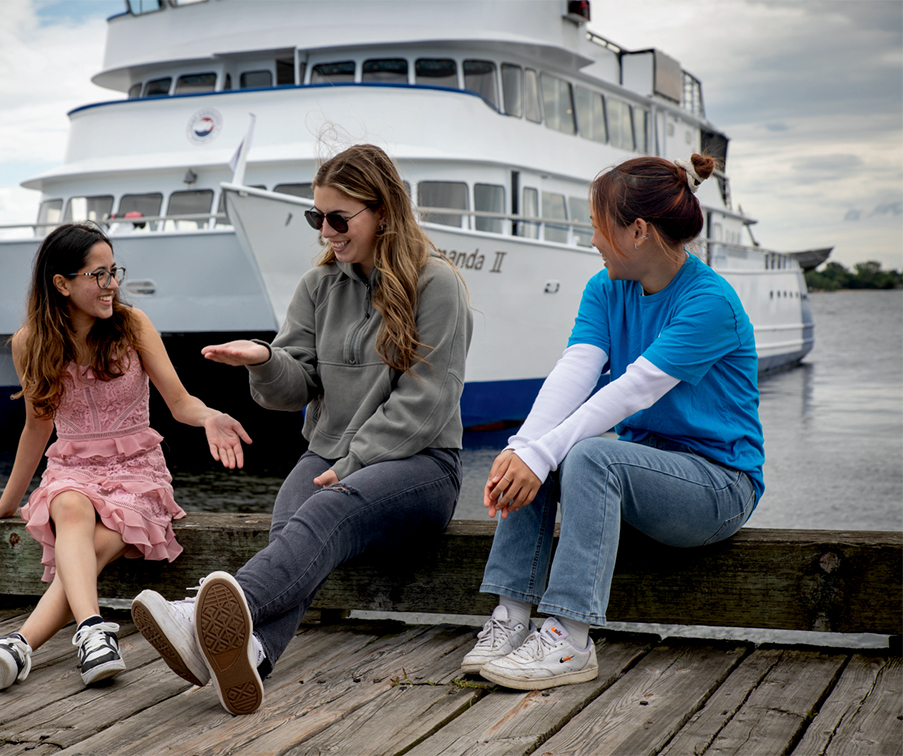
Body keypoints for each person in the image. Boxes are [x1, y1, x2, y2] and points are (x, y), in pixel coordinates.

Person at [130, 144, 473, 715]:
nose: (326, 233)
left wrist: (356, 461)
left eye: (339, 219)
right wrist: (263, 360)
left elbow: (427, 401)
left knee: (323, 512)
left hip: (421, 466)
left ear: (383, 211)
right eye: (318, 218)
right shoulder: (319, 288)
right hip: (332, 455)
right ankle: (255, 651)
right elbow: (293, 390)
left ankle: (195, 618)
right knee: (292, 520)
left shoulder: (436, 284)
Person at [462, 153, 764, 691]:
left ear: (639, 231)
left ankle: (571, 639)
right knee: (545, 450)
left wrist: (543, 450)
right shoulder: (605, 288)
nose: (593, 240)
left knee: (585, 451)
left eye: (599, 227)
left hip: (718, 486)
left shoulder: (709, 301)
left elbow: (633, 390)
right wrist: (523, 447)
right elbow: (574, 373)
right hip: (646, 474)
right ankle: (512, 615)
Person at [0, 222, 251, 691]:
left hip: (137, 472)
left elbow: (179, 402)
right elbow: (38, 426)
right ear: (62, 283)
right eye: (99, 274)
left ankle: (19, 644)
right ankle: (92, 634)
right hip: (71, 470)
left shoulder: (132, 325)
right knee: (71, 505)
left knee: (95, 542)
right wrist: (6, 502)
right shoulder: (29, 342)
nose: (112, 283)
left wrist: (210, 416)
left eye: (113, 271)